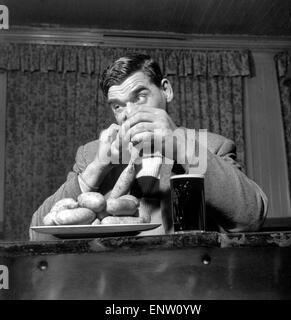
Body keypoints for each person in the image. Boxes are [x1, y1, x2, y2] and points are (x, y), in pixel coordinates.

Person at [30, 54, 268, 241]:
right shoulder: (93, 153)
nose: (130, 114)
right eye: (117, 106)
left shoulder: (210, 146)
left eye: (140, 96)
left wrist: (182, 146)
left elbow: (251, 218)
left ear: (166, 90)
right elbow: (38, 234)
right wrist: (96, 168)